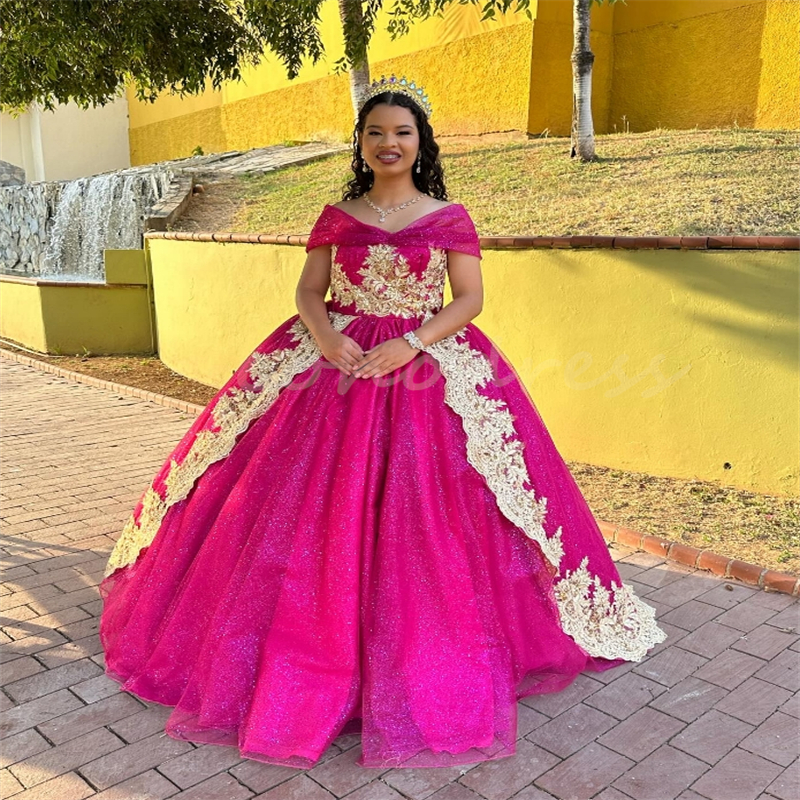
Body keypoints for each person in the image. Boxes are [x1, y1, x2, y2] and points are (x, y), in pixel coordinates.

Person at [99, 75, 666, 771]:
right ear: (361, 144)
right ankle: (306, 658)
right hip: (333, 362)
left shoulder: (450, 216)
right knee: (290, 503)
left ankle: (425, 656)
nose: (389, 142)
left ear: (421, 142)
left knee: (439, 508)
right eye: (376, 132)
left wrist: (414, 342)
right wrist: (325, 334)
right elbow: (310, 288)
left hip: (424, 364)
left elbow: (470, 300)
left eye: (402, 131)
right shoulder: (337, 215)